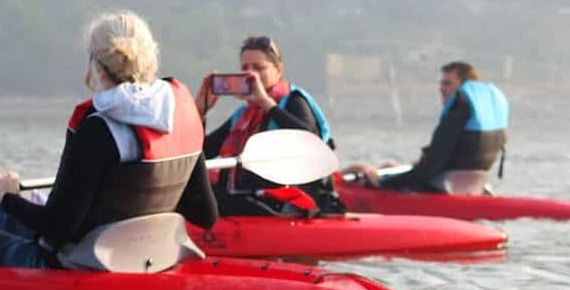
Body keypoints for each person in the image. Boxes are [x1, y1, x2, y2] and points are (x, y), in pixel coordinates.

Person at [0, 11, 219, 268]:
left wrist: (10, 197)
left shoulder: (99, 129)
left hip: (69, 266)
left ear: (97, 66)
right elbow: (206, 215)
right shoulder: (182, 113)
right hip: (144, 259)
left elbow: (59, 230)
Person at [195, 35, 337, 215]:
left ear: (278, 70)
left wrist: (267, 104)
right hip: (246, 196)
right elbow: (204, 153)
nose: (250, 74)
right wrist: (200, 111)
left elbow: (310, 141)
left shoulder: (294, 101)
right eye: (245, 68)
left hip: (283, 200)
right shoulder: (244, 114)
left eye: (258, 68)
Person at [343, 61, 509, 193]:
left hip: (443, 186)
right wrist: (424, 162)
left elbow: (426, 172)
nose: (441, 88)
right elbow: (446, 156)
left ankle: (335, 189)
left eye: (447, 83)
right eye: (441, 83)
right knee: (389, 166)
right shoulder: (482, 109)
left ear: (463, 86)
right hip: (473, 184)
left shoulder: (459, 109)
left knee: (362, 169)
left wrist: (383, 182)